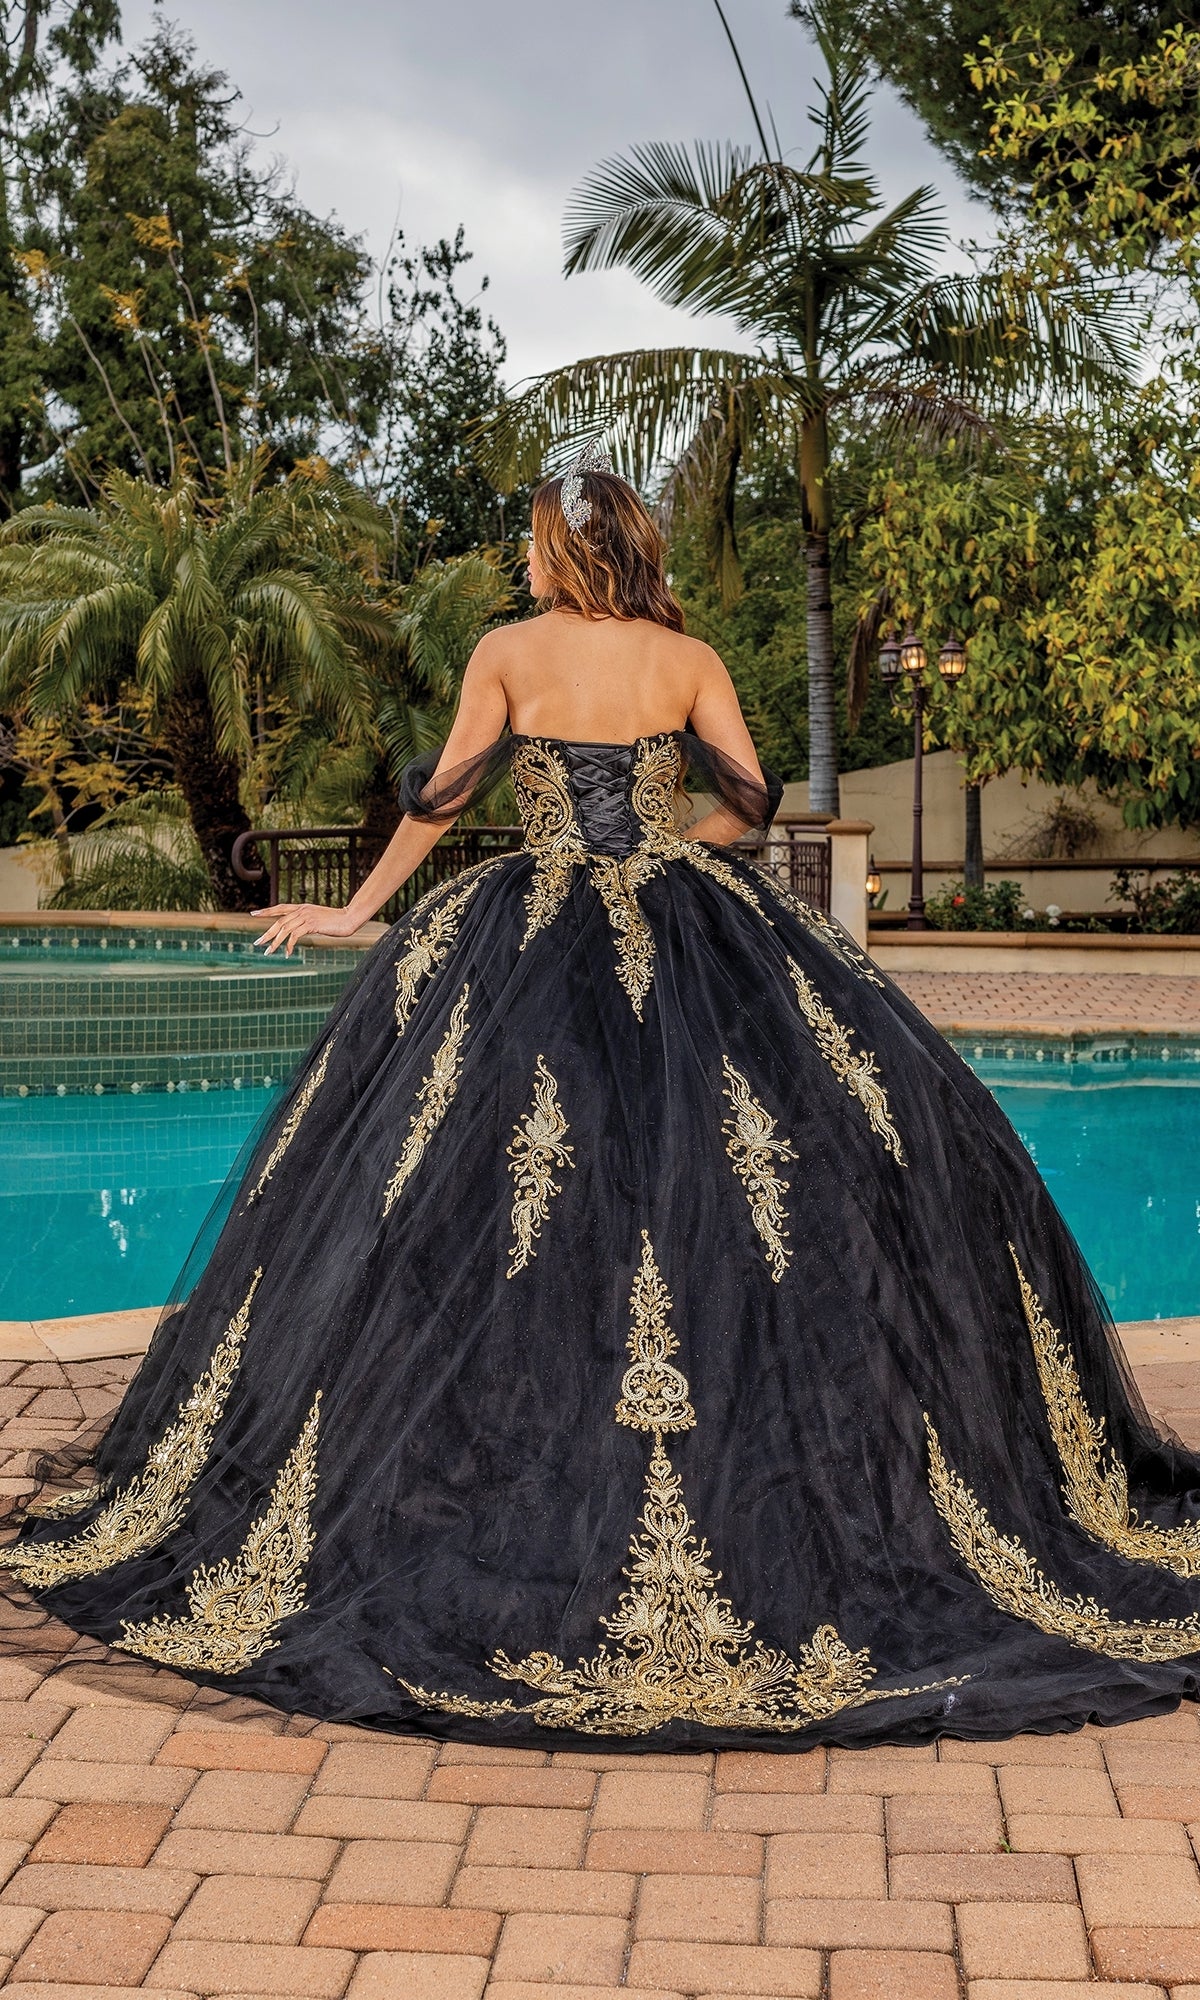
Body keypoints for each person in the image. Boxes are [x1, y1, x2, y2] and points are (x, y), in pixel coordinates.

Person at [6, 448, 1200, 1753]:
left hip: (532, 933)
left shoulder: (509, 652)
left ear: (561, 551)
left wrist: (356, 911)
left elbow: (444, 795)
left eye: (532, 540)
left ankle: (507, 1488)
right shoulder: (684, 661)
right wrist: (689, 861)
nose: (524, 557)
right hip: (693, 923)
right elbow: (753, 796)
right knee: (740, 1183)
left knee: (500, 1195)